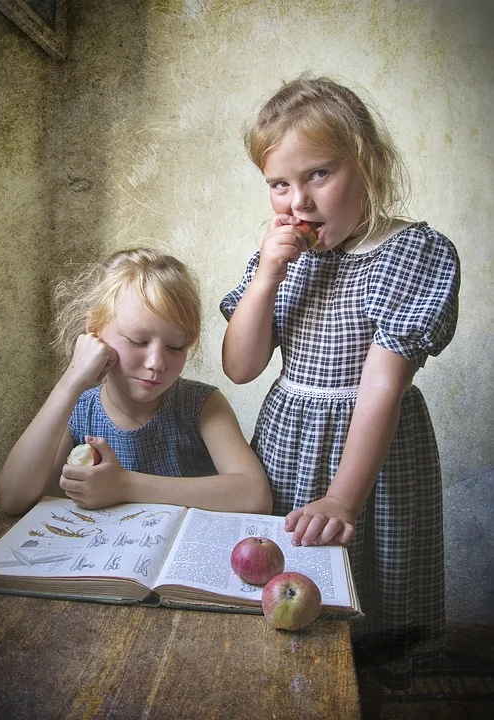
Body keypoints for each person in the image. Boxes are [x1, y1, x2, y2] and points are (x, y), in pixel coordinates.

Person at [220, 73, 460, 686]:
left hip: (369, 455)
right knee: (288, 588)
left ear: (368, 164)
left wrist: (343, 497)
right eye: (279, 183)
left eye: (318, 175)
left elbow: (381, 385)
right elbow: (241, 367)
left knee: (376, 590)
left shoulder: (411, 253)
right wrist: (267, 277)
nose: (297, 201)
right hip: (288, 440)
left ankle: (377, 690)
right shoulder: (281, 259)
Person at [0, 247, 272, 518]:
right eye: (138, 341)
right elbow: (12, 498)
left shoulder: (201, 405)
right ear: (94, 331)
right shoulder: (79, 411)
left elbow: (255, 496)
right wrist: (72, 380)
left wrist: (125, 485)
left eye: (175, 346)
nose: (156, 363)